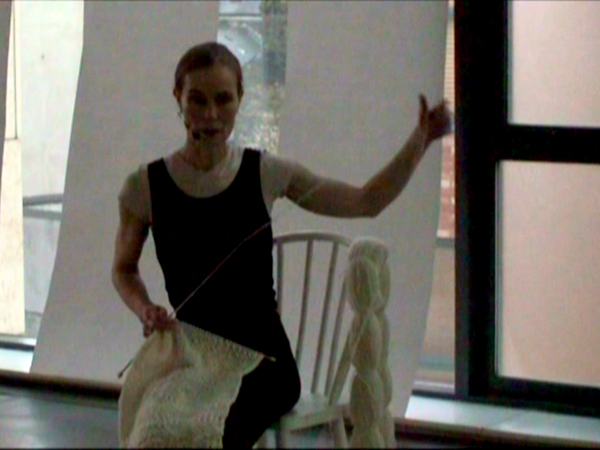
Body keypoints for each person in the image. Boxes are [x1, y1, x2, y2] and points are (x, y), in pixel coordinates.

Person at [111, 41, 451, 448]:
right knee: (152, 433)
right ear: (178, 99)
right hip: (193, 358)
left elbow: (365, 201)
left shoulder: (264, 172)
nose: (211, 114)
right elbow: (124, 269)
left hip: (264, 362)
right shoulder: (143, 187)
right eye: (198, 100)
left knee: (211, 435)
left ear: (239, 99)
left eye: (223, 99)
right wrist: (144, 308)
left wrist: (420, 141)